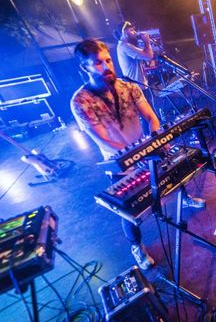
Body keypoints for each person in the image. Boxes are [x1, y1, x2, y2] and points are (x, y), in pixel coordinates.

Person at [71, 39, 204, 270]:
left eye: (108, 60)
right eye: (98, 63)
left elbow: (151, 118)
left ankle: (184, 197)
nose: (107, 66)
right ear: (85, 67)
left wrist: (155, 142)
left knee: (172, 171)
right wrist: (135, 156)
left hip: (145, 151)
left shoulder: (129, 87)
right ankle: (137, 246)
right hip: (119, 163)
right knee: (129, 210)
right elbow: (103, 139)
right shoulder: (80, 102)